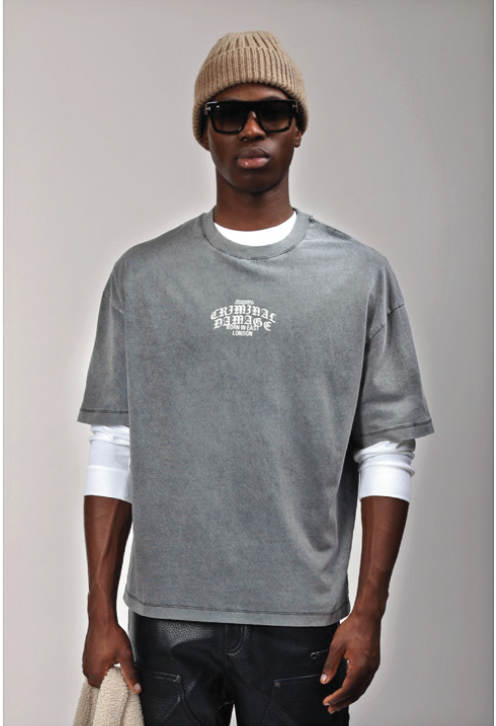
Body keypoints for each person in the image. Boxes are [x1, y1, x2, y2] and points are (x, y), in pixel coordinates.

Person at [78, 30, 434, 725]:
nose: (251, 129)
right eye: (227, 113)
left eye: (272, 111)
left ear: (297, 127)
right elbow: (114, 446)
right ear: (203, 131)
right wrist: (99, 612)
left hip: (303, 618)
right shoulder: (142, 277)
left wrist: (368, 611)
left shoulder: (359, 276)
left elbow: (387, 449)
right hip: (168, 617)